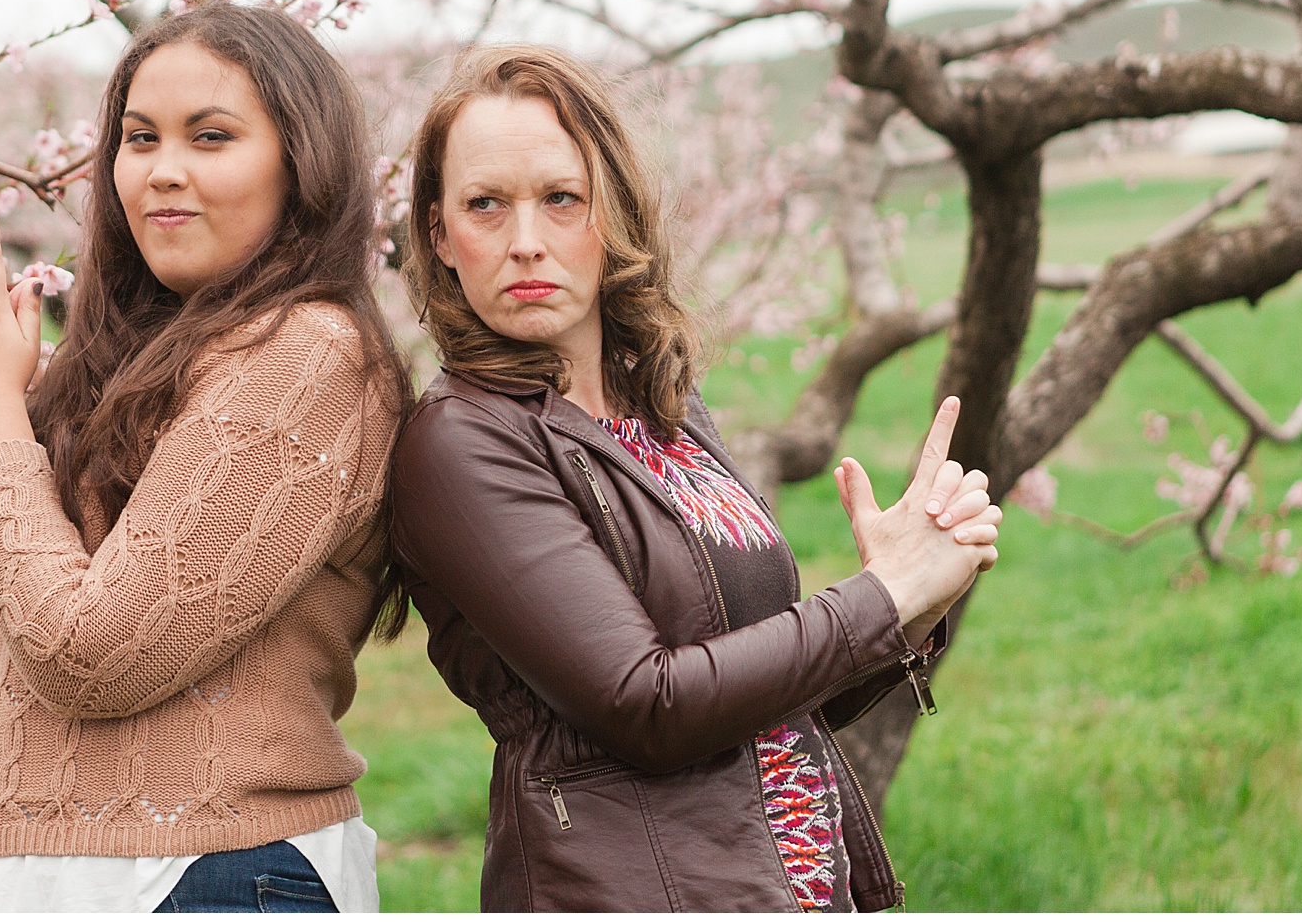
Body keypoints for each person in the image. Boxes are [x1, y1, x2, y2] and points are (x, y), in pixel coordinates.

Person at [388, 44, 1003, 912]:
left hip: (785, 885)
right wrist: (876, 597)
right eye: (485, 205)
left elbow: (765, 695)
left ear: (616, 213)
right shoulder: (462, 441)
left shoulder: (665, 408)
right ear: (441, 234)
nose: (526, 242)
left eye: (562, 199)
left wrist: (915, 599)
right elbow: (651, 706)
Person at [0, 1, 411, 913]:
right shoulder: (124, 360)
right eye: (139, 138)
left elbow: (91, 655)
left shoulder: (307, 354)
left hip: (208, 873)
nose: (163, 172)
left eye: (211, 137)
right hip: (51, 880)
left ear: (302, 161)